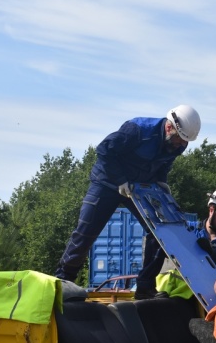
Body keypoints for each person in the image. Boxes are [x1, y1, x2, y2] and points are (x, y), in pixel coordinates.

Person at [54, 105, 201, 300]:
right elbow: (104, 151)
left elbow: (164, 163)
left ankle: (145, 287)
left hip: (140, 187)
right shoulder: (137, 130)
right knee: (86, 231)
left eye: (184, 142)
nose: (180, 145)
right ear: (169, 128)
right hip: (107, 182)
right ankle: (64, 281)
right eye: (178, 140)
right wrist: (119, 180)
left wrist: (161, 182)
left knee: (159, 232)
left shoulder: (179, 143)